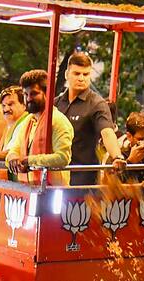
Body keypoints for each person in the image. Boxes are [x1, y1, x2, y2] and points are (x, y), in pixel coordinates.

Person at [54, 52, 123, 185]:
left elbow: (107, 132)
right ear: (66, 74)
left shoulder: (97, 104)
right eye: (76, 73)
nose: (81, 78)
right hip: (56, 176)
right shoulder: (56, 103)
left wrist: (117, 157)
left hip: (84, 177)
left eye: (85, 74)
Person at [7, 70, 74, 186]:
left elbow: (63, 158)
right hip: (28, 192)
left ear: (47, 94)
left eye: (33, 94)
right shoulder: (27, 121)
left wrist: (29, 161)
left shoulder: (58, 121)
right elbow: (14, 149)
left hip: (53, 193)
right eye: (25, 94)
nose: (28, 99)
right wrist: (13, 157)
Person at [105, 111, 144, 184]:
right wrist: (130, 162)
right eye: (142, 139)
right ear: (129, 136)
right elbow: (112, 186)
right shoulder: (117, 156)